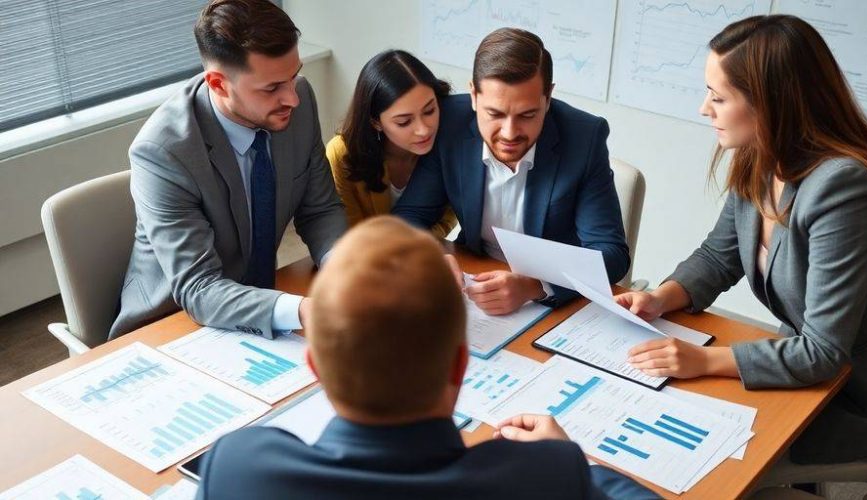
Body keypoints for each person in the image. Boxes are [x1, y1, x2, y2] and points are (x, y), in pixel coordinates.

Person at [614, 15, 867, 464]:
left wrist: (704, 361)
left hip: (858, 395)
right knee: (660, 415)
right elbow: (718, 256)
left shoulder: (846, 187)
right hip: (802, 363)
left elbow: (822, 352)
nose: (705, 108)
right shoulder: (761, 157)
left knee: (694, 447)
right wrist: (662, 298)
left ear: (770, 103)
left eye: (719, 97)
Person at [195, 216, 656, 500]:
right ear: (460, 365)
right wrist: (579, 464)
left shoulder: (238, 468)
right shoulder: (546, 478)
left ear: (315, 367)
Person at [109, 0, 347, 340]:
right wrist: (302, 311)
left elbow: (320, 209)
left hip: (256, 305)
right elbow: (199, 288)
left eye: (293, 77)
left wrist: (345, 268)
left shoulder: (299, 101)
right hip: (172, 327)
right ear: (218, 84)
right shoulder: (162, 152)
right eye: (272, 88)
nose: (292, 98)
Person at [393, 28, 630, 315]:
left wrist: (536, 286)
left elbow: (611, 255)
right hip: (474, 284)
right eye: (494, 114)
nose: (509, 133)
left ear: (548, 97)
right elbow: (408, 218)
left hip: (554, 303)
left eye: (527, 115)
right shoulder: (448, 122)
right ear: (473, 96)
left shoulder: (584, 137)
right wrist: (432, 257)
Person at [327, 50, 458, 239]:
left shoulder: (450, 140)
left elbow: (446, 219)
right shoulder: (343, 154)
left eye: (429, 111)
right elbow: (349, 236)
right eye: (404, 122)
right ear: (375, 121)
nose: (423, 130)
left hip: (423, 252)